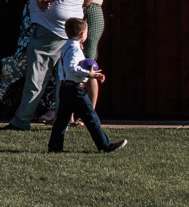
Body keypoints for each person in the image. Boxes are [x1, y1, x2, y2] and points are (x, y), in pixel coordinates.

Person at [7, 0, 88, 131]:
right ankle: (62, 121)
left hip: (49, 25)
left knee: (37, 75)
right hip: (72, 28)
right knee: (65, 78)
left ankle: (22, 120)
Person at [45, 16, 128, 154]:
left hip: (65, 88)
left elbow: (64, 67)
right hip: (76, 90)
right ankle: (105, 145)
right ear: (82, 34)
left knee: (62, 120)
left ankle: (54, 146)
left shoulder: (66, 46)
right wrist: (89, 74)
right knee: (91, 117)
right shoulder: (75, 49)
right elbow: (72, 68)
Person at [77, 0, 109, 109]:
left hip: (90, 16)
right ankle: (79, 109)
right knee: (80, 63)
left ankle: (90, 109)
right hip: (84, 15)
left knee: (88, 63)